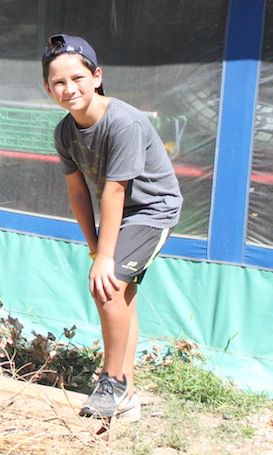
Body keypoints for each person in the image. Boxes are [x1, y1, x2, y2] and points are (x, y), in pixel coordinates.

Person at [41, 34, 182, 420]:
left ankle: (112, 380)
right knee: (119, 296)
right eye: (58, 82)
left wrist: (105, 258)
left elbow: (115, 190)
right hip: (120, 214)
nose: (69, 88)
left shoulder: (123, 123)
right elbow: (78, 193)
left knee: (107, 287)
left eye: (77, 78)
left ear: (97, 77)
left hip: (152, 210)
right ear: (48, 89)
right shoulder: (64, 132)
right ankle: (127, 397)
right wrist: (94, 248)